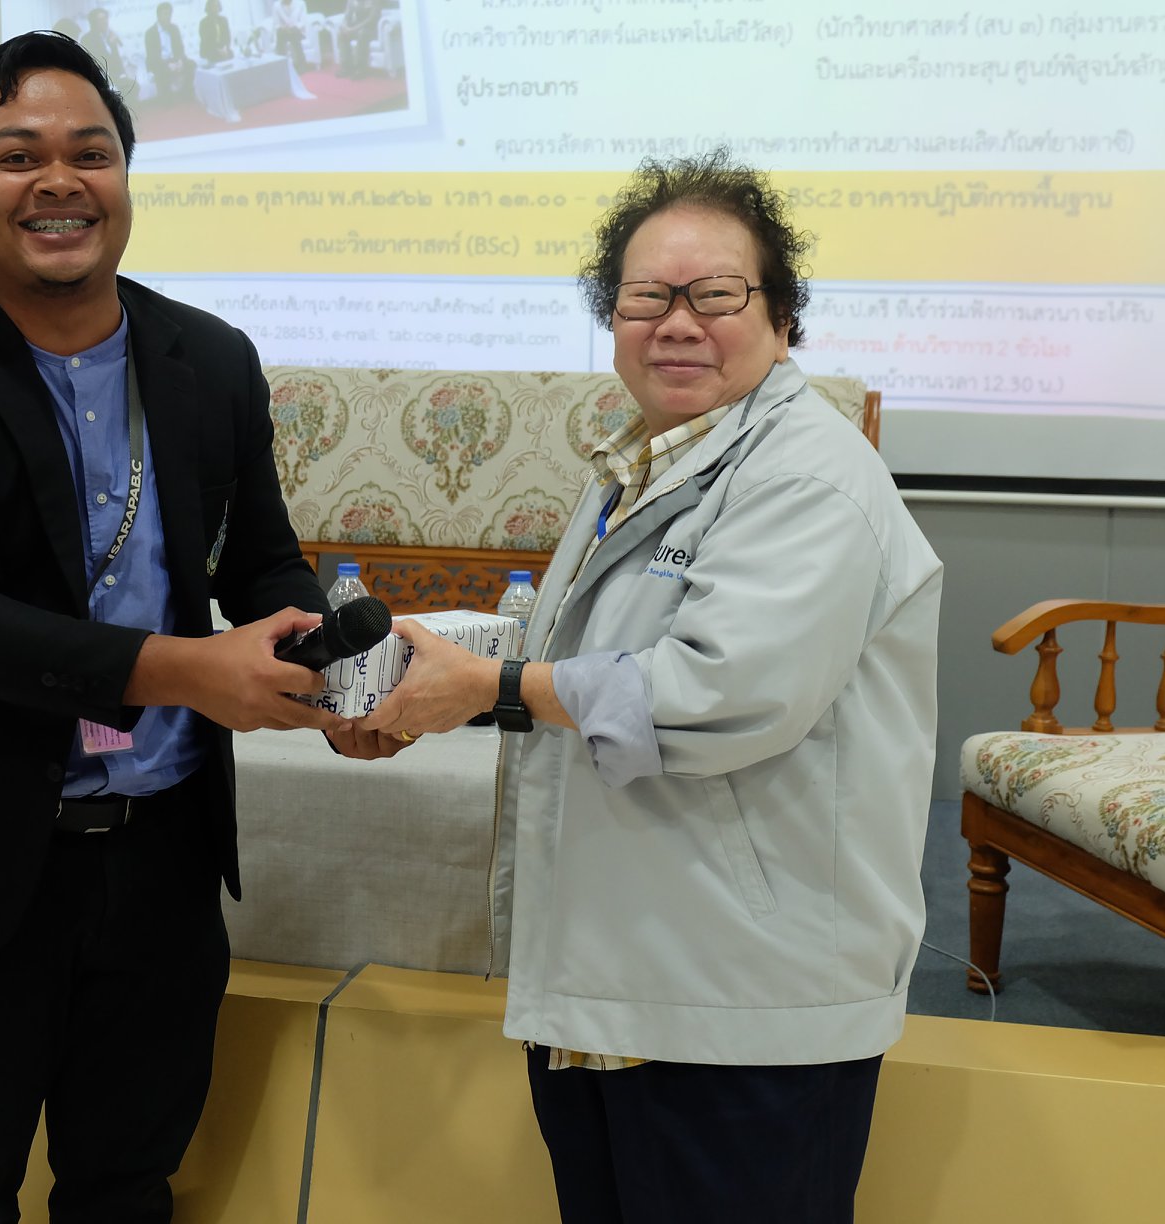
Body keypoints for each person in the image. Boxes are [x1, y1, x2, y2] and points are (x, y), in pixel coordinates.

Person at [0, 30, 390, 1223]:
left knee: (129, 1184)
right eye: (17, 155)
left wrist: (333, 670)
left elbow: (259, 559)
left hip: (163, 847)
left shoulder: (209, 358)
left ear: (126, 178)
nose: (59, 182)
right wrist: (191, 672)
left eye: (91, 153)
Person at [359, 151, 942, 1222]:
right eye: (645, 298)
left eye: (715, 295)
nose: (677, 323)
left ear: (783, 318)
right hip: (621, 983)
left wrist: (489, 688)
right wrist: (423, 678)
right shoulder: (644, 459)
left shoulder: (808, 477)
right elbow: (583, 647)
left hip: (739, 1008)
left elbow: (718, 694)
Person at [80, 6, 138, 100]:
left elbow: (117, 59)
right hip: (100, 78)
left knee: (133, 86)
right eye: (100, 20)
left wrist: (122, 73)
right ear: (93, 22)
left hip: (115, 76)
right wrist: (111, 45)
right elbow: (100, 60)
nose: (105, 22)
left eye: (105, 18)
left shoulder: (110, 35)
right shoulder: (87, 38)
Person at [143, 1, 195, 102]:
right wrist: (168, 64)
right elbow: (152, 56)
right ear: (158, 15)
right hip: (159, 62)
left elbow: (180, 48)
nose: (168, 17)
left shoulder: (174, 28)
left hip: (174, 59)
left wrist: (180, 61)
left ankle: (187, 93)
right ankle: (166, 98)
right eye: (165, 14)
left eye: (169, 14)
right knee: (162, 71)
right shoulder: (150, 33)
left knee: (191, 64)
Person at [334, 0, 380, 78]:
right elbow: (347, 16)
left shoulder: (374, 1)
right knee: (342, 34)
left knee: (362, 34)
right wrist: (345, 26)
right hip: (357, 28)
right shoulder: (352, 1)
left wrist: (353, 29)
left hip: (371, 29)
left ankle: (361, 69)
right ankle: (346, 67)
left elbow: (371, 19)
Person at [272, 0, 308, 72]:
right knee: (280, 34)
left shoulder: (300, 3)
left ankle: (301, 66)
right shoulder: (276, 5)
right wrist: (283, 27)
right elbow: (276, 24)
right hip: (284, 31)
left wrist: (294, 27)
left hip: (297, 30)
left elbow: (303, 21)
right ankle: (281, 66)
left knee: (294, 34)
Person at [197, 0, 232, 65]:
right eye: (213, 6)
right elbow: (206, 41)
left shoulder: (224, 20)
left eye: (217, 6)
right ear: (209, 8)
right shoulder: (203, 22)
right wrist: (218, 50)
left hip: (222, 48)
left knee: (231, 54)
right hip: (209, 49)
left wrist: (225, 48)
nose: (216, 8)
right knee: (216, 57)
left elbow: (227, 37)